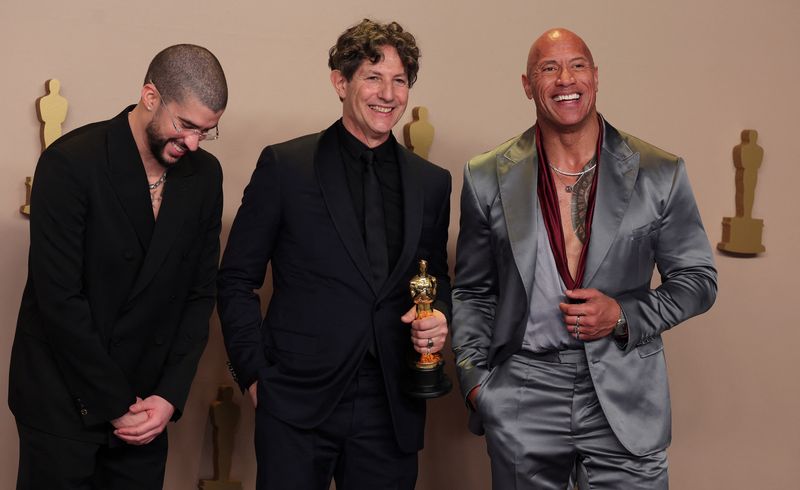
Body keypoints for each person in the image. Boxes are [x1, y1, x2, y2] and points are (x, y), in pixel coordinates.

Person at [451, 28, 717, 489]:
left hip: (624, 385)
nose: (564, 78)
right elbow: (473, 290)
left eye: (576, 65)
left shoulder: (659, 171)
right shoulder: (485, 176)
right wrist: (477, 383)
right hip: (524, 387)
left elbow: (697, 279)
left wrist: (622, 314)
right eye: (547, 68)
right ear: (527, 85)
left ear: (595, 76)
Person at [217, 18, 451, 490]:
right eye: (373, 76)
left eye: (399, 80)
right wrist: (256, 375)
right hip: (295, 400)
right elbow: (236, 279)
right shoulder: (285, 166)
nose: (388, 93)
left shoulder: (432, 182)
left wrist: (440, 315)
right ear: (340, 82)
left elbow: (435, 276)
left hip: (392, 402)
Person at [9, 44, 227, 489]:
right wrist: (117, 403)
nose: (192, 143)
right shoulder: (71, 163)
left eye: (206, 132)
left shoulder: (205, 176)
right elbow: (60, 301)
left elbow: (200, 294)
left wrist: (168, 396)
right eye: (185, 125)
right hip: (61, 402)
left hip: (147, 407)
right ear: (150, 96)